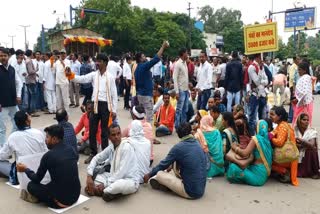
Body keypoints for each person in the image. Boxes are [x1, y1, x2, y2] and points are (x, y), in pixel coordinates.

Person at [67, 53, 118, 164]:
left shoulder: (110, 77)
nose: (97, 63)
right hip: (95, 105)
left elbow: (114, 94)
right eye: (97, 61)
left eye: (99, 61)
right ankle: (93, 153)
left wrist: (114, 110)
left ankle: (104, 155)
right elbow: (82, 79)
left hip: (105, 106)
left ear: (105, 63)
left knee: (105, 132)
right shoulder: (94, 75)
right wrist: (70, 75)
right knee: (92, 130)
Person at [17, 125, 81, 209]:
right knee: (55, 180)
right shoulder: (71, 149)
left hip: (61, 202)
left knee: (31, 185)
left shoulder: (48, 156)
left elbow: (36, 179)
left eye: (47, 137)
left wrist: (26, 169)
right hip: (76, 195)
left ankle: (43, 199)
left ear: (54, 139)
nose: (45, 140)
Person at [143, 123, 207, 199]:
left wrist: (149, 175)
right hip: (201, 189)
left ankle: (168, 186)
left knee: (159, 174)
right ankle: (170, 185)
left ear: (179, 134)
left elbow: (163, 164)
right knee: (177, 163)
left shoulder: (178, 147)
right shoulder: (197, 143)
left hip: (190, 192)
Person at [85, 124, 139, 202]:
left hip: (129, 180)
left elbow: (121, 172)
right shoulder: (111, 147)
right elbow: (97, 158)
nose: (116, 137)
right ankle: (105, 191)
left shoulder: (126, 147)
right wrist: (89, 176)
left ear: (121, 133)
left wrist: (105, 184)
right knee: (95, 174)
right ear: (109, 137)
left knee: (117, 186)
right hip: (113, 176)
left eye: (118, 133)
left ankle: (103, 191)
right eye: (113, 135)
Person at [0, 111, 47, 180]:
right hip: (41, 172)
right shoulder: (39, 133)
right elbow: (46, 152)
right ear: (27, 122)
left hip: (22, 174)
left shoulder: (12, 137)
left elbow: (2, 156)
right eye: (29, 117)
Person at [227, 120, 273, 186]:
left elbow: (244, 153)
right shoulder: (267, 140)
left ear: (257, 127)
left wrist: (234, 147)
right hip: (263, 173)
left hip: (257, 177)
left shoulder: (256, 139)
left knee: (233, 167)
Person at [135, 42, 169, 123]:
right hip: (146, 95)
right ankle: (149, 133)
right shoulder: (144, 66)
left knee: (142, 116)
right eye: (143, 56)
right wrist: (163, 47)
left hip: (140, 95)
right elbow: (156, 58)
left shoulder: (137, 69)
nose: (145, 57)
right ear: (140, 59)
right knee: (149, 117)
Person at [269, 106, 299, 186]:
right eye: (269, 114)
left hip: (288, 157)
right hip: (290, 155)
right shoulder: (284, 125)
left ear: (279, 116)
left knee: (267, 162)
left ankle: (284, 171)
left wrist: (271, 139)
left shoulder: (282, 126)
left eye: (272, 114)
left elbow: (279, 142)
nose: (270, 116)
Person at [0, 47, 22, 147]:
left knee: (18, 123)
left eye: (5, 55)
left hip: (13, 102)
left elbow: (19, 83)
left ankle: (9, 144)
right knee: (2, 129)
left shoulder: (12, 69)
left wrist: (18, 96)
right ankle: (3, 149)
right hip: (1, 105)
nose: (3, 57)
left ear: (8, 56)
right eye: (1, 56)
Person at [247, 54, 269, 135]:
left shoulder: (262, 67)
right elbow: (256, 82)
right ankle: (252, 137)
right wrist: (260, 71)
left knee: (263, 118)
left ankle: (262, 136)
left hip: (262, 94)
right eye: (260, 58)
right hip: (254, 95)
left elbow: (266, 80)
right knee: (252, 118)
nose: (262, 60)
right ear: (257, 58)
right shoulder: (251, 67)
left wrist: (262, 82)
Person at [294, 113, 320, 179]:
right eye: (304, 120)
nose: (306, 122)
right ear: (299, 121)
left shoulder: (312, 131)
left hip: (307, 153)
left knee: (312, 149)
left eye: (307, 120)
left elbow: (312, 144)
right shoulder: (294, 130)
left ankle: (313, 171)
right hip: (297, 152)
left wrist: (301, 140)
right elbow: (293, 143)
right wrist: (302, 144)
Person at [292, 62, 314, 127]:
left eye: (299, 70)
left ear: (304, 70)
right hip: (305, 103)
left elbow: (304, 92)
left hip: (304, 104)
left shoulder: (305, 78)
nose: (298, 71)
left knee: (300, 122)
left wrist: (297, 99)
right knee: (303, 122)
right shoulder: (306, 77)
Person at [173, 48, 189, 129]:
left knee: (184, 109)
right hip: (181, 90)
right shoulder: (178, 64)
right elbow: (174, 78)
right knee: (179, 109)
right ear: (183, 54)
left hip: (186, 89)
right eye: (186, 53)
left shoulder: (185, 63)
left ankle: (183, 126)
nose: (187, 54)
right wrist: (177, 92)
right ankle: (177, 126)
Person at [25, 50, 39, 117]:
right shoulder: (29, 61)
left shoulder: (26, 60)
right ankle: (32, 111)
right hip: (31, 81)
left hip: (28, 81)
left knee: (30, 96)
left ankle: (30, 110)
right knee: (33, 96)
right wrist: (36, 70)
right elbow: (30, 71)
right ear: (31, 54)